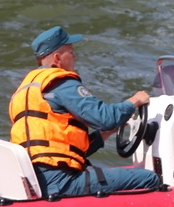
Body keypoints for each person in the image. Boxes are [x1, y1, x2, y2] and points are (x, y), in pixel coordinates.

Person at [10, 26, 162, 197]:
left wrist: (104, 135)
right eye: (71, 52)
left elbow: (54, 148)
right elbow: (105, 118)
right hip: (60, 180)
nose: (75, 57)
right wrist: (134, 101)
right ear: (57, 58)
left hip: (39, 178)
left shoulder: (24, 90)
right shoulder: (61, 83)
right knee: (149, 179)